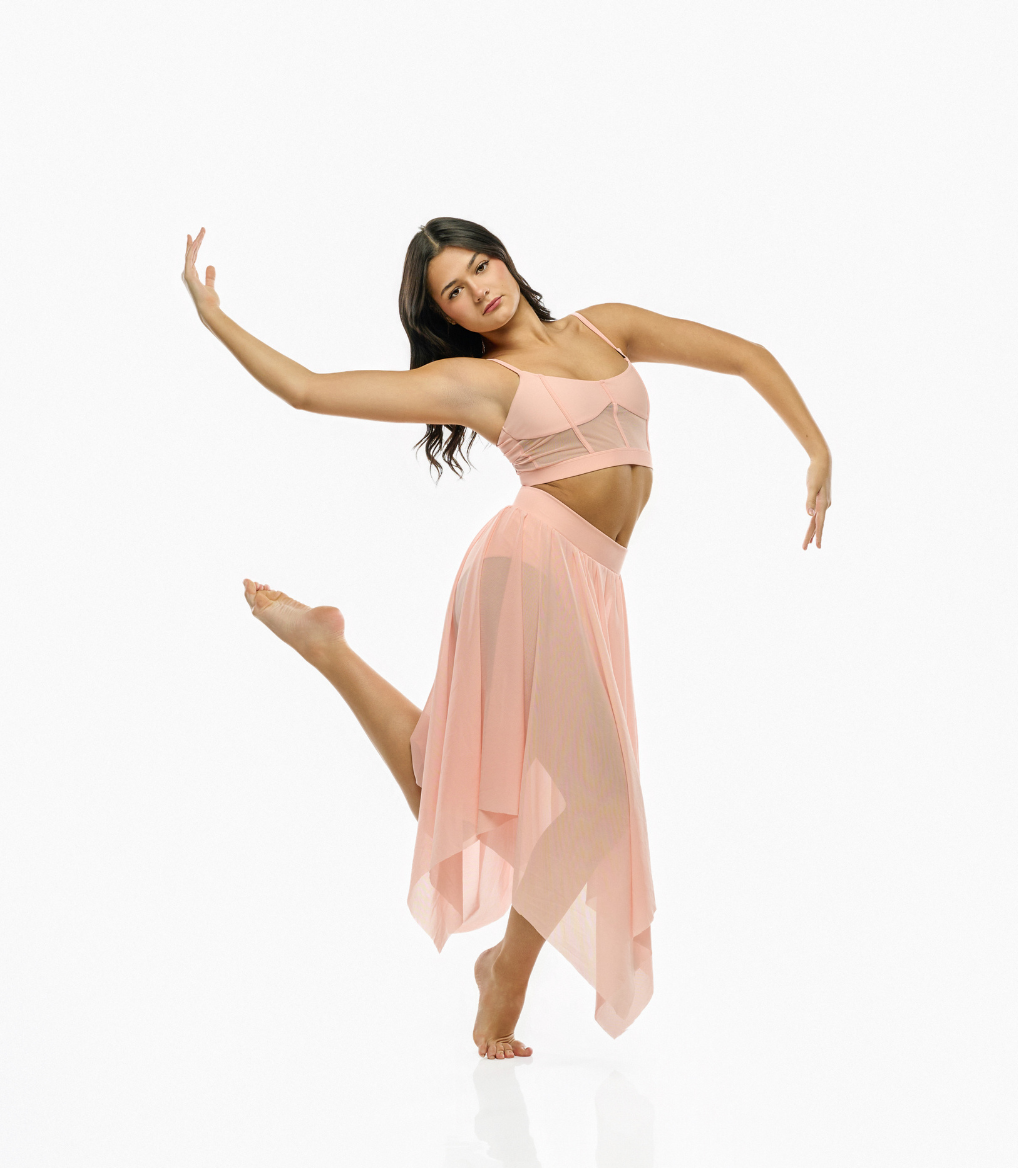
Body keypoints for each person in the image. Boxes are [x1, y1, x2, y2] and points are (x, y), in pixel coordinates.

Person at [181, 217, 832, 1061]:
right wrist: (214, 316)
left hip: (595, 581)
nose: (478, 291)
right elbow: (307, 390)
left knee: (488, 779)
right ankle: (507, 976)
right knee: (589, 795)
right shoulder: (478, 382)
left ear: (506, 260)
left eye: (481, 267)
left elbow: (746, 355)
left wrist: (814, 447)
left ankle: (330, 650)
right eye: (454, 292)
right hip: (528, 566)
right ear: (447, 317)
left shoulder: (607, 326)